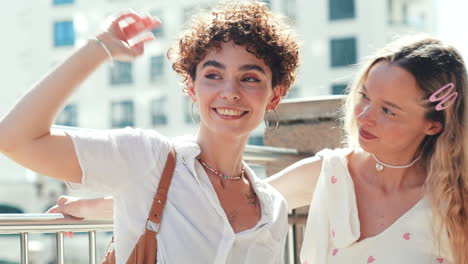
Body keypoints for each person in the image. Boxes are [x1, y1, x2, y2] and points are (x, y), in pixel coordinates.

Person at [0, 1, 299, 263]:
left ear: (274, 95)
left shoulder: (272, 210)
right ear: (192, 88)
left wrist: (100, 207)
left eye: (249, 78)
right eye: (213, 75)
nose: (229, 92)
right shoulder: (146, 158)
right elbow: (15, 139)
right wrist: (100, 48)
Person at [269, 35, 467, 264]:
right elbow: (230, 212)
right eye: (364, 97)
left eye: (388, 111)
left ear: (432, 125)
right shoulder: (331, 174)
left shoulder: (455, 205)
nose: (364, 116)